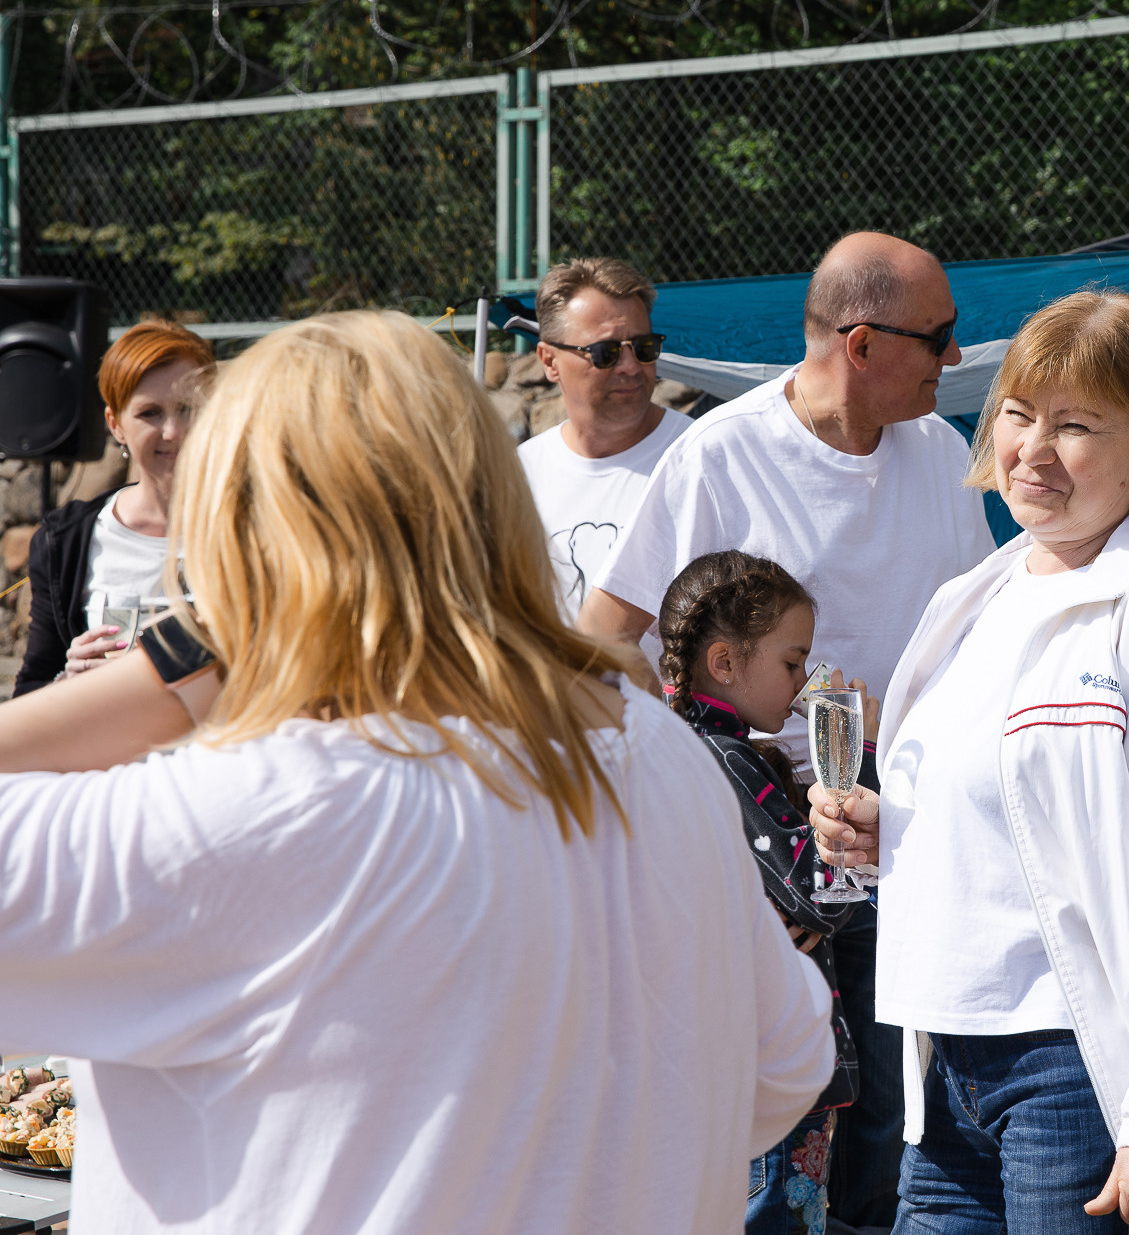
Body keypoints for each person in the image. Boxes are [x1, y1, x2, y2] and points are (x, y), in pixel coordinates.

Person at [0, 312, 834, 1233]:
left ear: (249, 536)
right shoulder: (659, 749)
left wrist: (179, 660)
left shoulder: (271, 803)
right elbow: (788, 1057)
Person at [810, 291, 1129, 1233]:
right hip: (944, 1063)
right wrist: (886, 830)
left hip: (1077, 1071)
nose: (1031, 447)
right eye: (1020, 414)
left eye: (1076, 425)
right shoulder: (972, 599)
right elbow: (1011, 818)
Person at [578, 230, 995, 1230]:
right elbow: (603, 640)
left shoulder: (941, 452)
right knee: (773, 1134)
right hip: (761, 874)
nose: (954, 357)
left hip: (902, 846)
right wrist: (718, 818)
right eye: (939, 337)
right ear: (861, 344)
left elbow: (985, 632)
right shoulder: (720, 453)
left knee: (889, 1123)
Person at [658, 550, 878, 1235]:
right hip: (768, 1069)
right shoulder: (727, 759)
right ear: (724, 663)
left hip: (717, 1060)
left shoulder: (673, 746)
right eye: (792, 662)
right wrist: (851, 745)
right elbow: (828, 895)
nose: (803, 681)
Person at [14, 320, 213, 695]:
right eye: (150, 413)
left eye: (188, 408)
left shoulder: (259, 528)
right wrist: (67, 681)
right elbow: (32, 689)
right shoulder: (68, 540)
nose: (174, 431)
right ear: (116, 424)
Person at [514, 257, 692, 667]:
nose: (631, 367)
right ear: (548, 361)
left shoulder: (698, 457)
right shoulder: (517, 476)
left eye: (644, 348)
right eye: (605, 352)